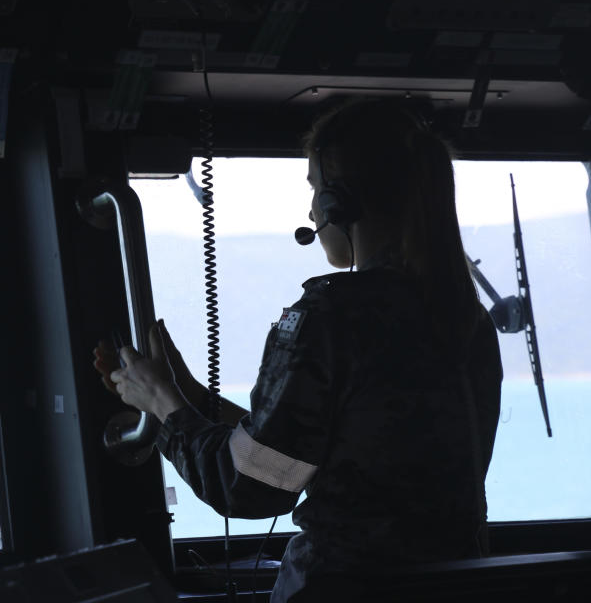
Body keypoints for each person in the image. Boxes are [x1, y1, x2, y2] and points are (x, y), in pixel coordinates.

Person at [93, 99, 503, 601]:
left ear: (338, 203)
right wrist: (188, 397)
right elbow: (306, 451)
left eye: (315, 189)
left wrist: (162, 406)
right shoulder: (465, 317)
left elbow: (249, 484)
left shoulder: (331, 317)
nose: (312, 209)